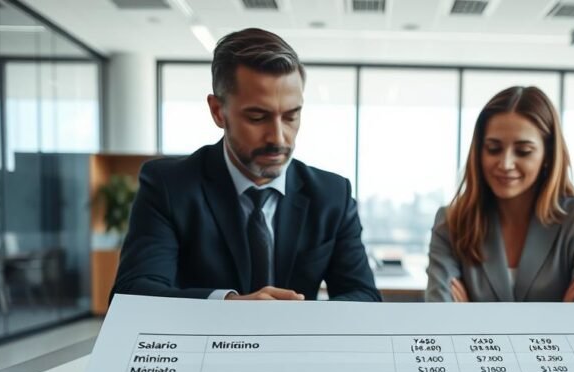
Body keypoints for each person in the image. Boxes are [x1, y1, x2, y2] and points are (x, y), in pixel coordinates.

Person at [112, 28, 380, 302]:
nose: (277, 138)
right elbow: (133, 294)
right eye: (257, 117)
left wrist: (304, 319)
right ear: (218, 111)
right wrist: (230, 306)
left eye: (290, 117)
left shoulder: (332, 194)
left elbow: (364, 297)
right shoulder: (169, 185)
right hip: (205, 342)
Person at [425, 86, 574, 303]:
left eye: (523, 151)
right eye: (493, 148)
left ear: (548, 154)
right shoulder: (451, 223)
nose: (505, 164)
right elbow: (441, 323)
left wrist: (471, 316)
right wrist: (562, 315)